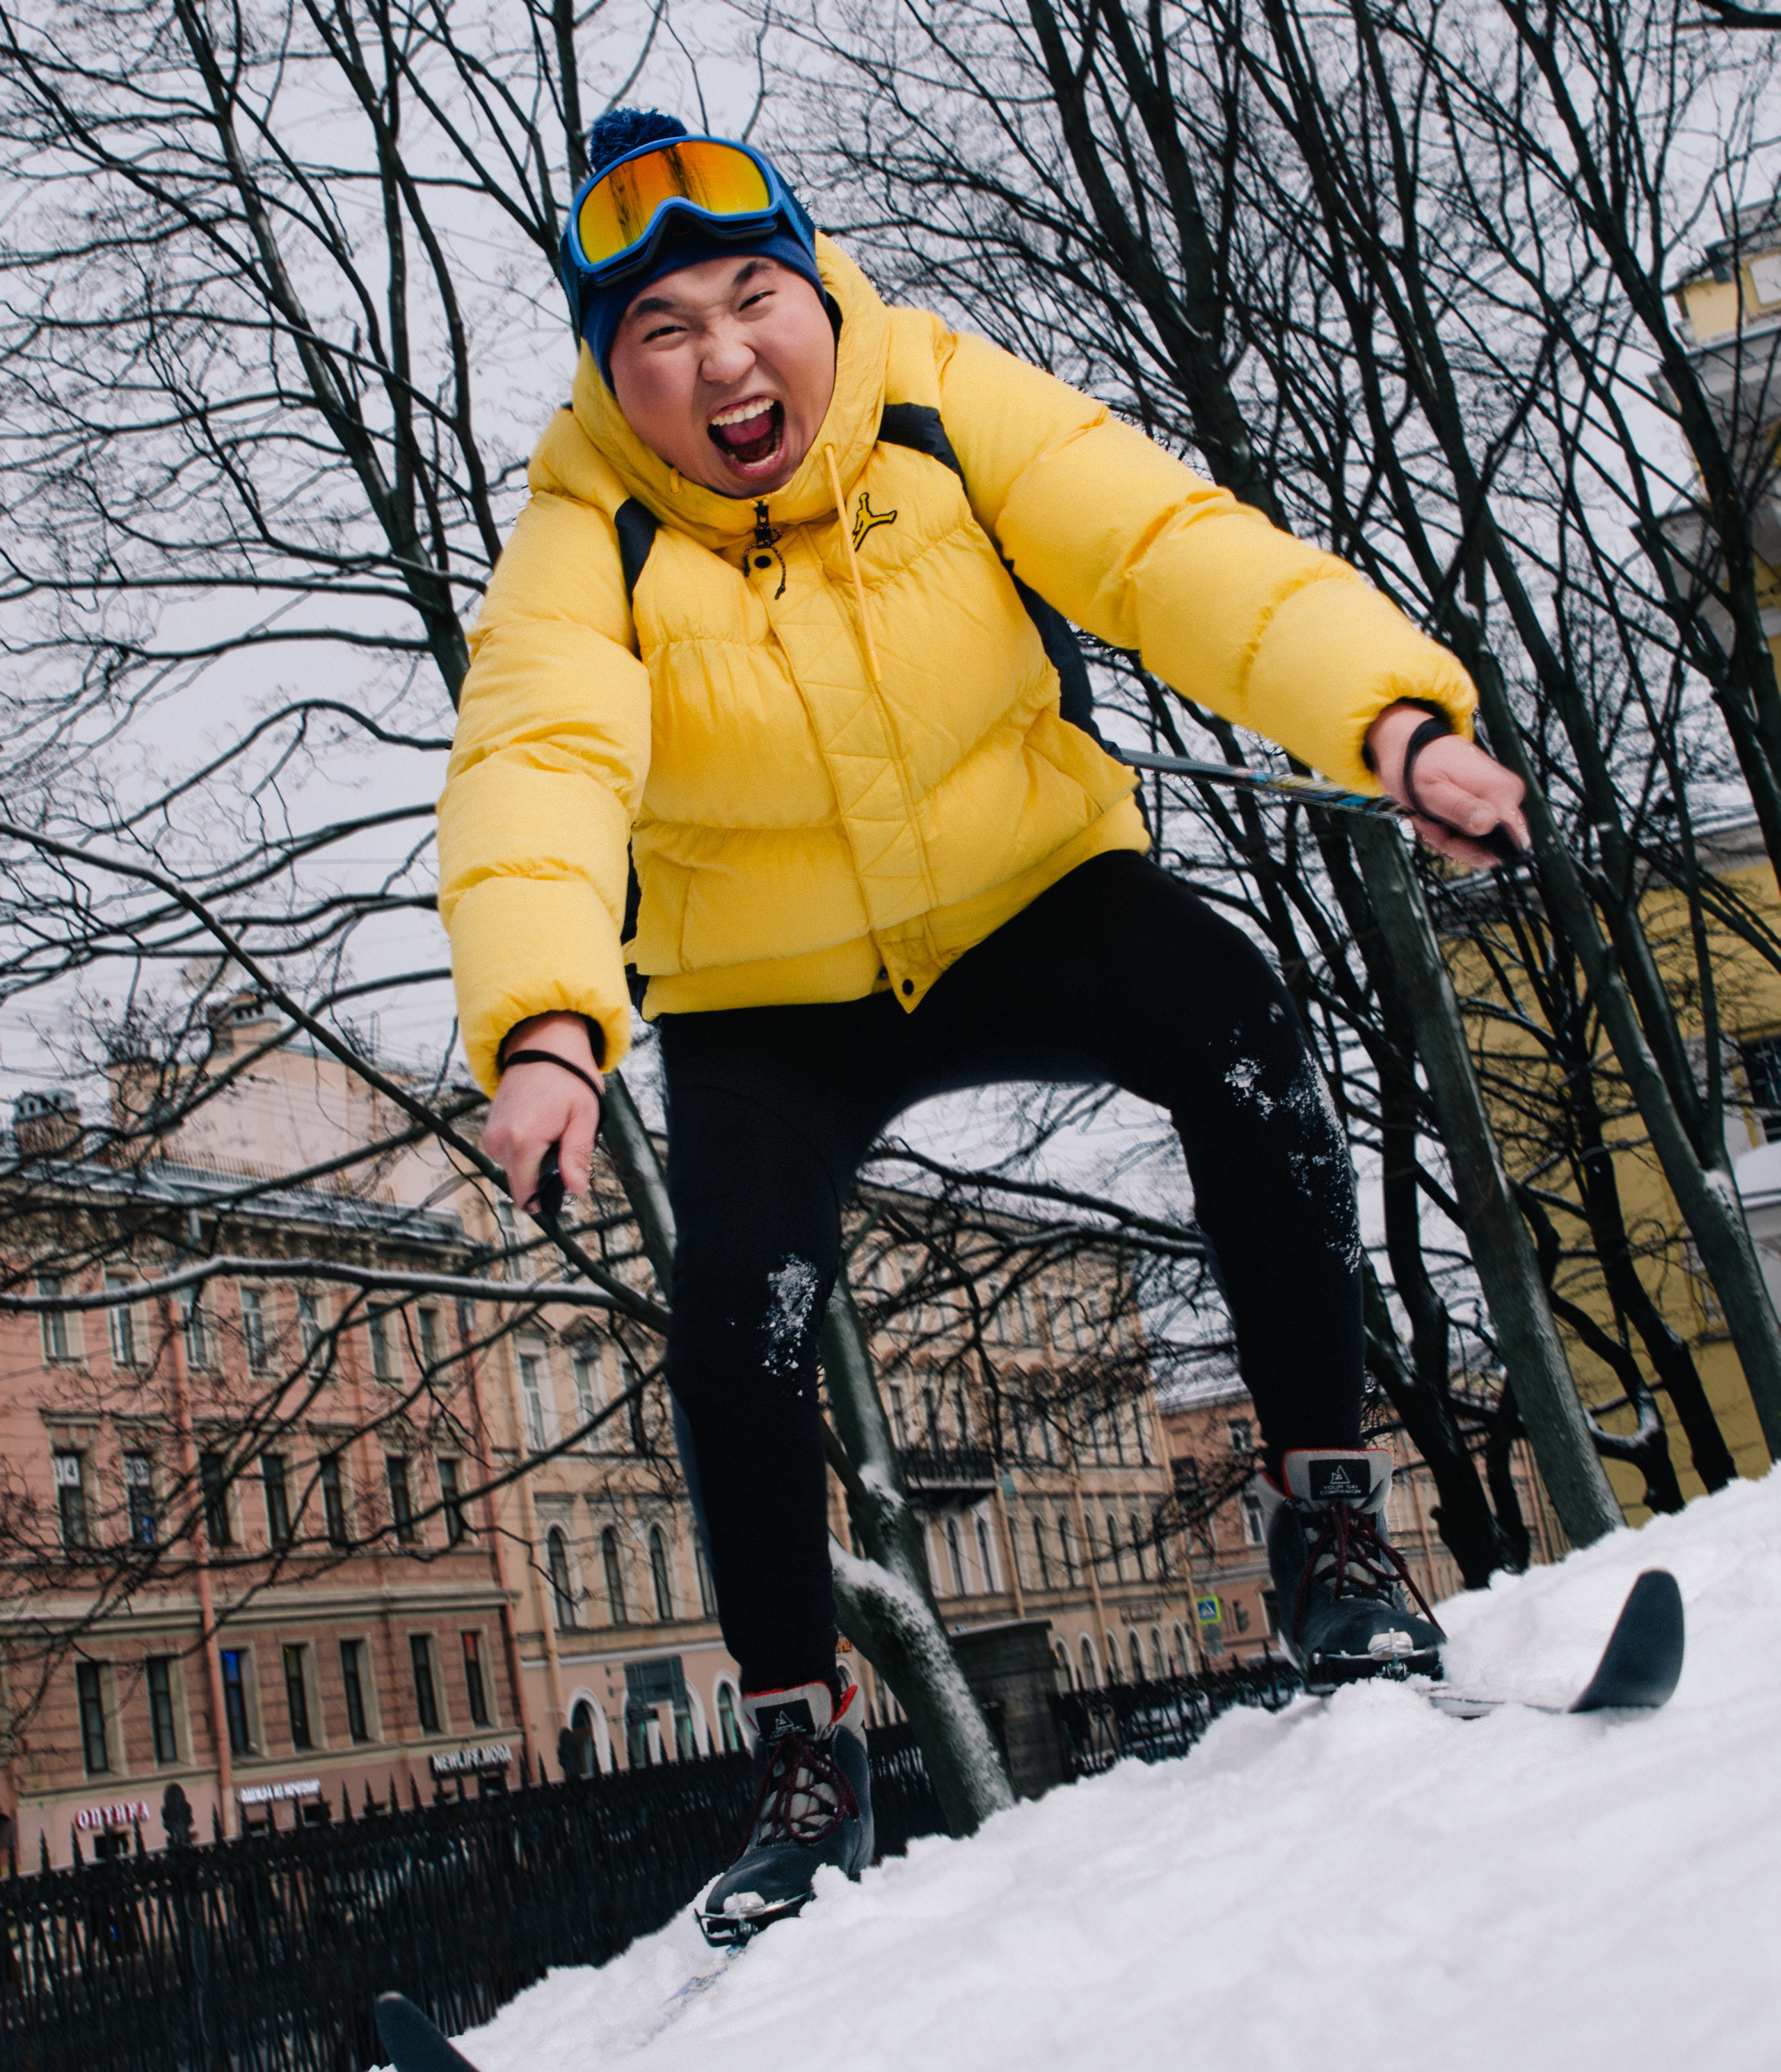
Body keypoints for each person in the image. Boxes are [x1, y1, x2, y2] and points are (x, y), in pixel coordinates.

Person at [438, 109, 1528, 1938]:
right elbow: (535, 765)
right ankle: (804, 1765)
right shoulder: (584, 534)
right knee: (738, 1316)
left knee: (1244, 1031)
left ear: (816, 297)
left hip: (1029, 903)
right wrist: (548, 1025)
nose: (724, 359)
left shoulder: (939, 398)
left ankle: (1331, 1537)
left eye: (753, 297)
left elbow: (1173, 552)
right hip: (769, 996)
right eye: (663, 333)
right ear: (613, 379)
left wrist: (1396, 727)